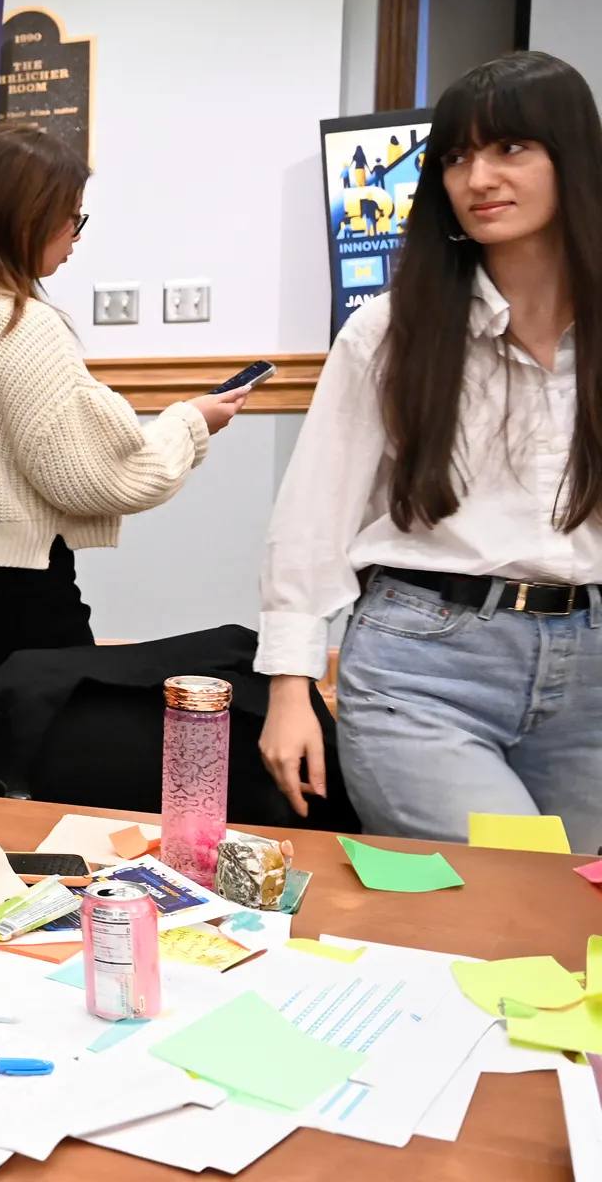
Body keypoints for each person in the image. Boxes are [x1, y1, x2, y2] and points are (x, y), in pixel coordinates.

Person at [257, 51, 602, 854]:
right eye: (455, 157)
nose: (478, 177)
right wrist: (289, 686)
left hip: (588, 669)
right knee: (508, 900)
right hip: (427, 667)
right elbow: (313, 516)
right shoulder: (392, 332)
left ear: (573, 159)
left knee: (578, 930)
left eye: (510, 149)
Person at [0, 121, 249, 790]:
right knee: (35, 798)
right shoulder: (24, 324)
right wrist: (193, 423)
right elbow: (99, 477)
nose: (75, 235)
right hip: (8, 604)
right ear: (26, 219)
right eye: (72, 217)